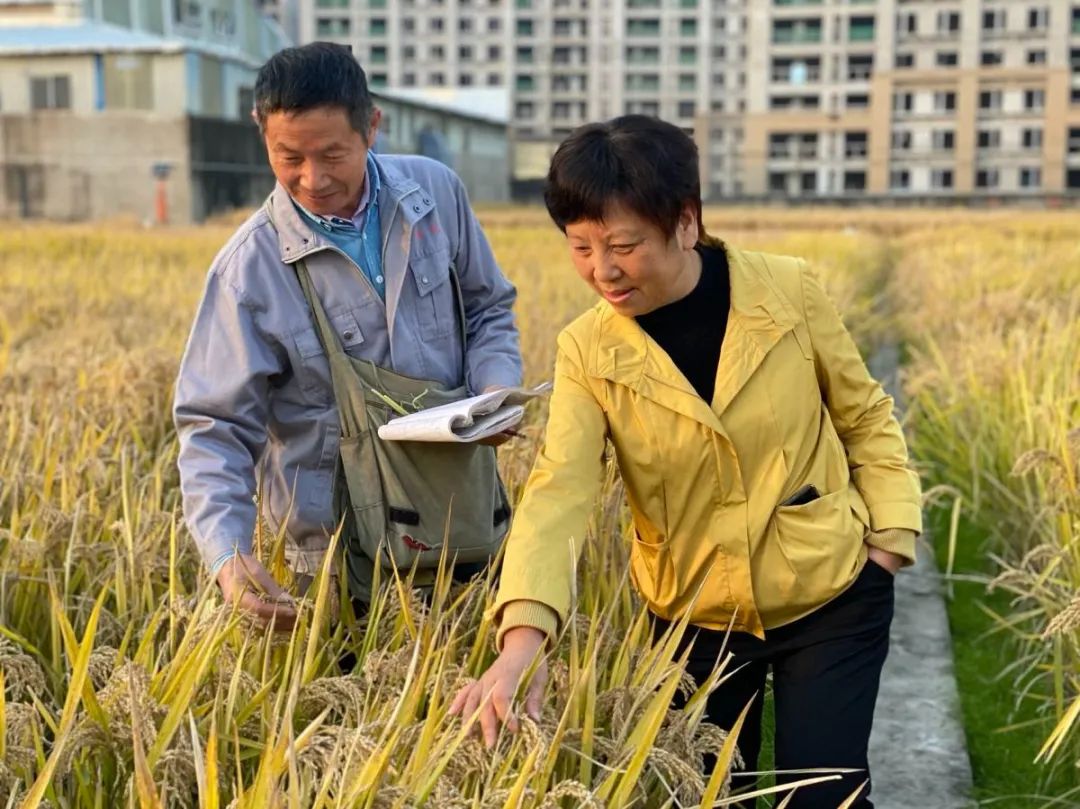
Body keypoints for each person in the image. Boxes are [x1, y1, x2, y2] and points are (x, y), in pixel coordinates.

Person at [450, 116, 922, 808]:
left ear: (686, 222)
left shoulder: (789, 291)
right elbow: (560, 492)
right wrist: (523, 640)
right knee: (698, 794)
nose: (601, 270)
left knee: (822, 797)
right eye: (580, 247)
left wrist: (890, 542)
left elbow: (865, 417)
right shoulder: (588, 349)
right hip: (691, 612)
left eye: (623, 245)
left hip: (828, 590)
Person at [174, 43, 521, 630]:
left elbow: (488, 308)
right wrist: (227, 555)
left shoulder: (435, 195)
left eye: (333, 153)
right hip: (332, 554)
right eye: (289, 157)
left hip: (461, 523)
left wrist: (496, 391)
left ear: (372, 128)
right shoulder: (248, 270)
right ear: (262, 133)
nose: (313, 178)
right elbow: (215, 426)